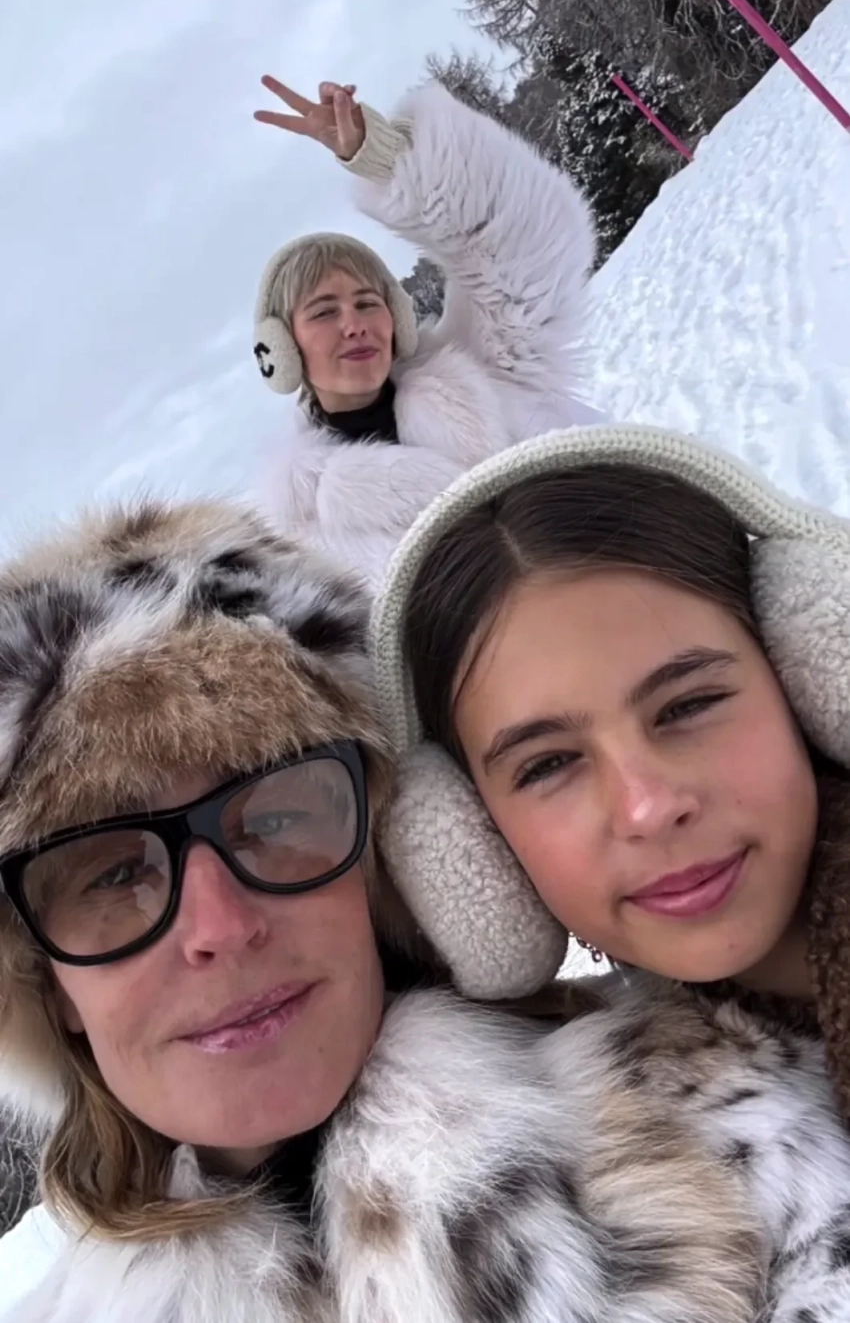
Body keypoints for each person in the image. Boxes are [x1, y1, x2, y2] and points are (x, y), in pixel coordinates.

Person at [3, 497, 850, 1321]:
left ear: (386, 862)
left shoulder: (742, 1134)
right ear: (43, 980)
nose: (221, 927)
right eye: (112, 876)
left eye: (275, 820)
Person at [370, 423, 850, 1121]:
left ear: (807, 676)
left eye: (687, 706)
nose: (646, 807)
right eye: (549, 764)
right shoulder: (626, 1121)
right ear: (478, 840)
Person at [250, 75, 598, 588]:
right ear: (280, 348)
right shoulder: (296, 543)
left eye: (368, 302)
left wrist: (384, 157)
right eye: (324, 312)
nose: (354, 325)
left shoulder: (486, 365)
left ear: (397, 316)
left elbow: (532, 242)